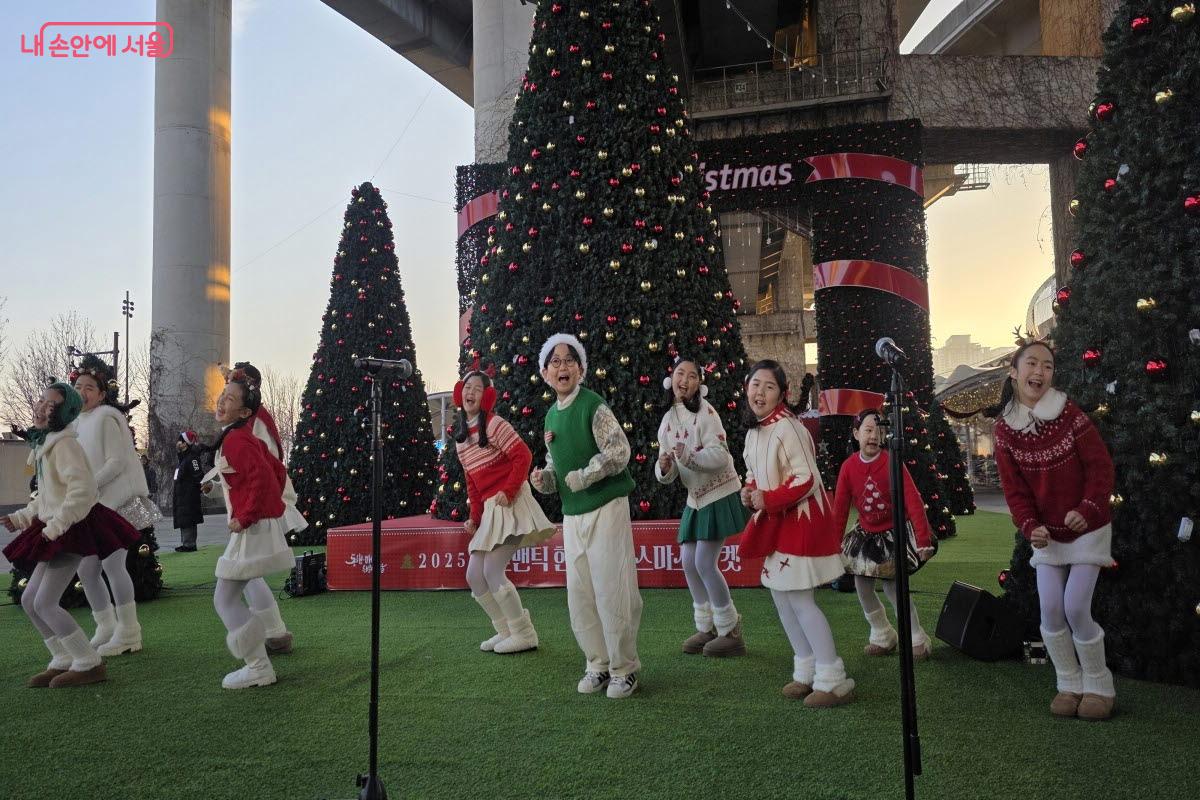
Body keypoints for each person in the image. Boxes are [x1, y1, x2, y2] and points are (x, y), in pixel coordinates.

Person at [987, 340, 1116, 721]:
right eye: (1031, 363)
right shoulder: (1004, 430)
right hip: (1046, 535)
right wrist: (1029, 526)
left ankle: (1098, 683)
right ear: (1014, 372)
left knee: (1076, 606)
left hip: (1087, 528)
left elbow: (1100, 468)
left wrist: (1088, 508)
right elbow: (1015, 490)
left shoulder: (1071, 415)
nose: (1039, 372)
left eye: (1047, 365)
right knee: (1050, 611)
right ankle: (1068, 683)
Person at [2, 383, 140, 687]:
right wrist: (22, 517)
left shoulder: (64, 445)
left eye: (50, 404)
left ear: (62, 412)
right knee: (30, 599)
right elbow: (48, 495)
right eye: (41, 400)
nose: (41, 406)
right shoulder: (46, 444)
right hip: (55, 527)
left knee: (45, 603)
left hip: (70, 529)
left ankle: (88, 661)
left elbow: (83, 490)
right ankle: (64, 657)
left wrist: (56, 527)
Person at [530, 334, 642, 699]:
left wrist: (588, 475)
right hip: (573, 516)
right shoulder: (550, 416)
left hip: (606, 507)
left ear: (581, 368)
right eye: (555, 362)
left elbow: (619, 451)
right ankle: (597, 663)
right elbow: (555, 469)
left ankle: (624, 669)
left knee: (613, 588)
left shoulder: (594, 405)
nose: (562, 367)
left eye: (569, 360)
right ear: (545, 373)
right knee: (580, 593)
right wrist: (542, 479)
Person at [738, 360, 854, 707]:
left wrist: (766, 498)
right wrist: (750, 491)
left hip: (800, 520)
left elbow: (805, 479)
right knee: (781, 598)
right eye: (755, 384)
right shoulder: (754, 431)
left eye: (768, 387)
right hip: (778, 519)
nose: (759, 392)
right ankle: (806, 669)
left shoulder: (789, 428)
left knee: (800, 601)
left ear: (781, 394)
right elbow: (753, 471)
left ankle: (833, 678)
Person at [203, 369, 295, 689]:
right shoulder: (243, 437)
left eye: (229, 398)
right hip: (256, 525)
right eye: (222, 396)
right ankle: (266, 647)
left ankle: (258, 666)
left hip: (251, 528)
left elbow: (262, 477)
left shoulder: (237, 440)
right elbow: (274, 472)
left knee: (225, 599)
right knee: (230, 594)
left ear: (244, 412)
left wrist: (246, 516)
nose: (221, 401)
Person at [453, 368, 555, 653]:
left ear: (487, 397)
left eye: (476, 388)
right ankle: (505, 629)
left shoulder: (496, 424)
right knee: (474, 575)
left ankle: (524, 634)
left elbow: (523, 455)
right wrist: (474, 518)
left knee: (493, 570)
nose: (470, 392)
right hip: (490, 510)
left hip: (511, 503)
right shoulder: (461, 440)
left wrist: (508, 491)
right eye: (467, 387)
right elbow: (472, 483)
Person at [654, 356, 750, 656]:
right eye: (680, 373)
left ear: (699, 383)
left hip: (718, 494)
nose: (685, 379)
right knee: (687, 561)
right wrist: (665, 466)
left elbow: (722, 454)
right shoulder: (667, 419)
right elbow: (666, 473)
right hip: (695, 498)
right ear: (671, 379)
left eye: (692, 375)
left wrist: (690, 458)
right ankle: (706, 626)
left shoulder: (706, 413)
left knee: (704, 563)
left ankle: (730, 628)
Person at [829, 409, 936, 660]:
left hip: (894, 533)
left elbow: (914, 501)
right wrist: (833, 547)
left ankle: (916, 637)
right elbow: (840, 510)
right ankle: (882, 634)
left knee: (893, 588)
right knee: (862, 586)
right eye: (867, 430)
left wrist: (922, 540)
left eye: (879, 431)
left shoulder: (891, 462)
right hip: (866, 534)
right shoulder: (848, 467)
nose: (874, 436)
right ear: (856, 434)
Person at [73, 354, 158, 656]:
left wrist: (88, 485)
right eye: (78, 386)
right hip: (91, 505)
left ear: (101, 394)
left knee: (112, 565)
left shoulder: (107, 417)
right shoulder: (76, 422)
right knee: (86, 568)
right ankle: (106, 625)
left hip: (114, 502)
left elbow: (116, 461)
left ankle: (129, 632)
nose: (82, 392)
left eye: (89, 388)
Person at [173, 430, 205, 552]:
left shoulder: (192, 458)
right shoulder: (183, 458)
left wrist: (200, 488)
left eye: (180, 441)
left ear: (185, 443)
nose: (177, 443)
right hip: (182, 494)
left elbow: (198, 475)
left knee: (188, 518)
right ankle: (185, 543)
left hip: (189, 495)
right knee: (184, 518)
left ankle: (190, 544)